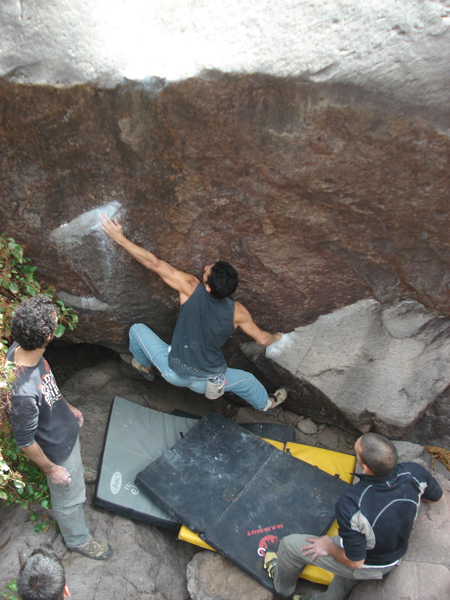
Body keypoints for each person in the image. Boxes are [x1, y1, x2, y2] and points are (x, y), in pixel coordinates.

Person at [100, 214, 288, 412]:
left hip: (172, 371)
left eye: (207, 270)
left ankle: (143, 366)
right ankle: (267, 404)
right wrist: (278, 336)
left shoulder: (190, 288)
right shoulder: (237, 312)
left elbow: (153, 264)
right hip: (206, 382)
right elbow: (262, 339)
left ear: (207, 287)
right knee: (248, 381)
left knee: (136, 331)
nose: (205, 267)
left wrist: (119, 238)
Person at [264, 432, 443, 600]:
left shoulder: (352, 503)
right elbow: (437, 497)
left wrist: (328, 546)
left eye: (356, 452)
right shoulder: (414, 472)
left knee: (289, 546)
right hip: (394, 552)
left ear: (365, 467)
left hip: (367, 563)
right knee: (342, 580)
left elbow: (355, 562)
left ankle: (282, 588)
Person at [6, 296, 112, 560]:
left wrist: (68, 406)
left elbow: (47, 384)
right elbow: (25, 441)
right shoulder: (22, 392)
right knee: (69, 499)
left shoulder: (23, 348)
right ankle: (77, 540)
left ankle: (75, 471)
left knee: (73, 467)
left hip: (63, 431)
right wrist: (52, 469)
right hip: (56, 450)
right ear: (48, 336)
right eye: (54, 324)